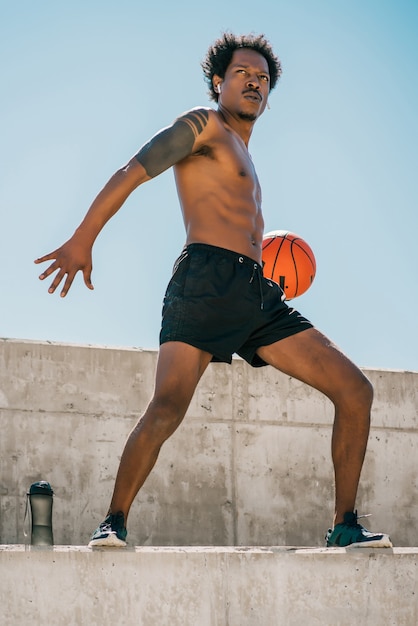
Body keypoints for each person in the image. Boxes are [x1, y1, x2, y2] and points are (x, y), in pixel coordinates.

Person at [35, 32, 392, 549]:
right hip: (205, 279)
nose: (255, 82)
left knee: (356, 390)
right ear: (218, 82)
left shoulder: (246, 155)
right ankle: (112, 520)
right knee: (168, 406)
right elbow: (132, 171)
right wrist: (82, 239)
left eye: (263, 78)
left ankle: (344, 526)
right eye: (243, 73)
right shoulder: (202, 125)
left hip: (256, 291)